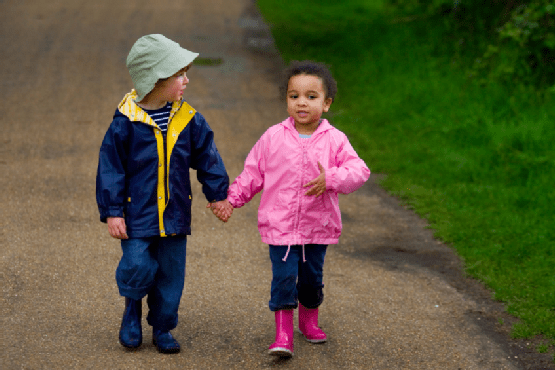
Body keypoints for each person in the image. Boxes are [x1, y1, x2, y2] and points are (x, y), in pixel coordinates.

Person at [217, 60, 370, 357]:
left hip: (318, 226)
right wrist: (231, 199)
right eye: (294, 95)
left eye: (311, 97)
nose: (302, 103)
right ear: (286, 99)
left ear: (326, 104)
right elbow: (253, 174)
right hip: (280, 226)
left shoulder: (335, 140)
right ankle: (283, 333)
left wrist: (332, 177)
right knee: (284, 278)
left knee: (311, 279)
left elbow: (359, 170)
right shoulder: (273, 137)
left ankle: (309, 321)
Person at [96, 34, 232, 354]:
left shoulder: (188, 119)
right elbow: (110, 169)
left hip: (174, 215)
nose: (186, 80)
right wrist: (113, 211)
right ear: (155, 79)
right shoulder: (125, 123)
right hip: (136, 214)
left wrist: (217, 194)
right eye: (179, 74)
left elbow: (207, 158)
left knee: (171, 276)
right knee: (137, 264)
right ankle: (132, 310)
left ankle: (162, 327)